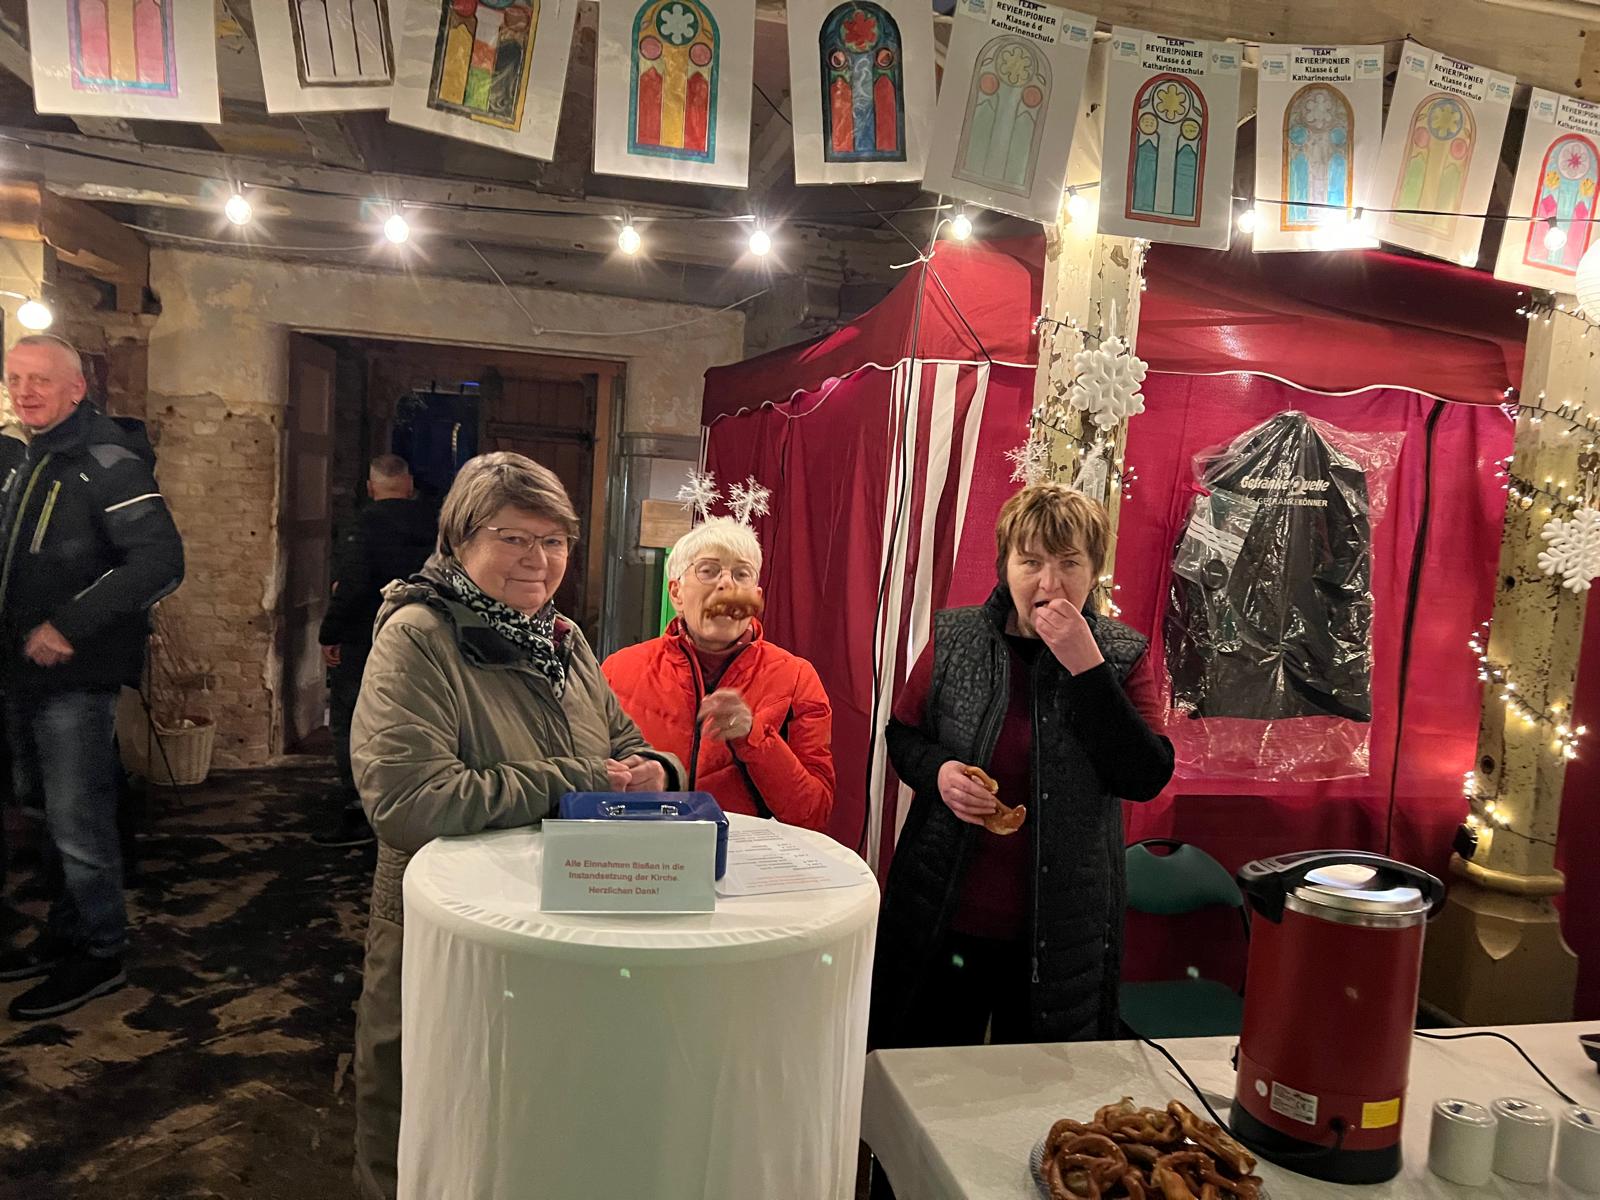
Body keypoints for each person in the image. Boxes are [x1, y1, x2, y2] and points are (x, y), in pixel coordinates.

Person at [348, 451, 681, 1200]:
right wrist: (576, 781)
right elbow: (408, 800)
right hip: (451, 928)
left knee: (533, 1118)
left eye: (554, 541)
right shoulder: (420, 636)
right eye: (514, 538)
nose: (539, 559)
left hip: (562, 913)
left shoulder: (562, 637)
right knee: (430, 1121)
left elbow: (622, 742)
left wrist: (656, 770)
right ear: (460, 539)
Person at [869, 483, 1172, 1050]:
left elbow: (1144, 776)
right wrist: (939, 774)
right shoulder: (955, 637)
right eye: (1030, 562)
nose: (1049, 583)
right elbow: (903, 734)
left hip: (1062, 932)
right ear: (1004, 566)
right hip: (943, 908)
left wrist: (1088, 669)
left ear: (1093, 572)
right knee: (925, 1071)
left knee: (1041, 1084)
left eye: (1069, 564)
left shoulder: (1121, 654)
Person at [0, 334, 184, 1022]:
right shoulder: (32, 458)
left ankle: (102, 952)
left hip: (74, 678)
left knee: (78, 821)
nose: (25, 391)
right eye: (15, 378)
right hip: (23, 676)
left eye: (40, 380)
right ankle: (68, 932)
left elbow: (160, 561)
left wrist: (68, 626)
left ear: (76, 389)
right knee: (46, 812)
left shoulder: (107, 462)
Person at [603, 516, 835, 831]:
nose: (727, 584)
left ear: (756, 597)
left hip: (745, 854)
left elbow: (813, 813)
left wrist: (753, 737)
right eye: (708, 570)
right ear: (676, 593)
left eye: (741, 574)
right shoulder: (618, 670)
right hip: (644, 848)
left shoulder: (796, 678)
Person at [314, 454, 436, 848]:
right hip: (422, 637)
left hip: (365, 638)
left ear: (370, 488)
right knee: (412, 719)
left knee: (353, 721)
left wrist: (330, 633)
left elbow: (352, 584)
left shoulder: (363, 524)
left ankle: (359, 811)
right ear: (409, 484)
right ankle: (410, 803)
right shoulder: (435, 524)